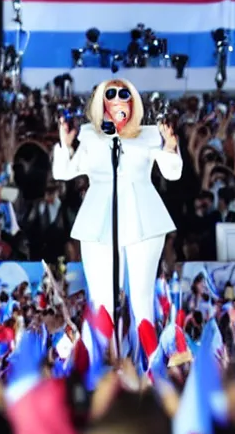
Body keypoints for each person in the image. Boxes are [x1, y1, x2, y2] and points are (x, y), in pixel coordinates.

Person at [52, 79, 182, 364]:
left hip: (143, 219)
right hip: (99, 220)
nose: (118, 99)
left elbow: (172, 173)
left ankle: (154, 369)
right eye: (110, 94)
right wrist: (64, 145)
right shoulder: (89, 136)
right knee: (102, 302)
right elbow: (64, 172)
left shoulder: (149, 135)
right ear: (101, 102)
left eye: (124, 94)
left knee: (141, 302)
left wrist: (171, 147)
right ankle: (91, 371)